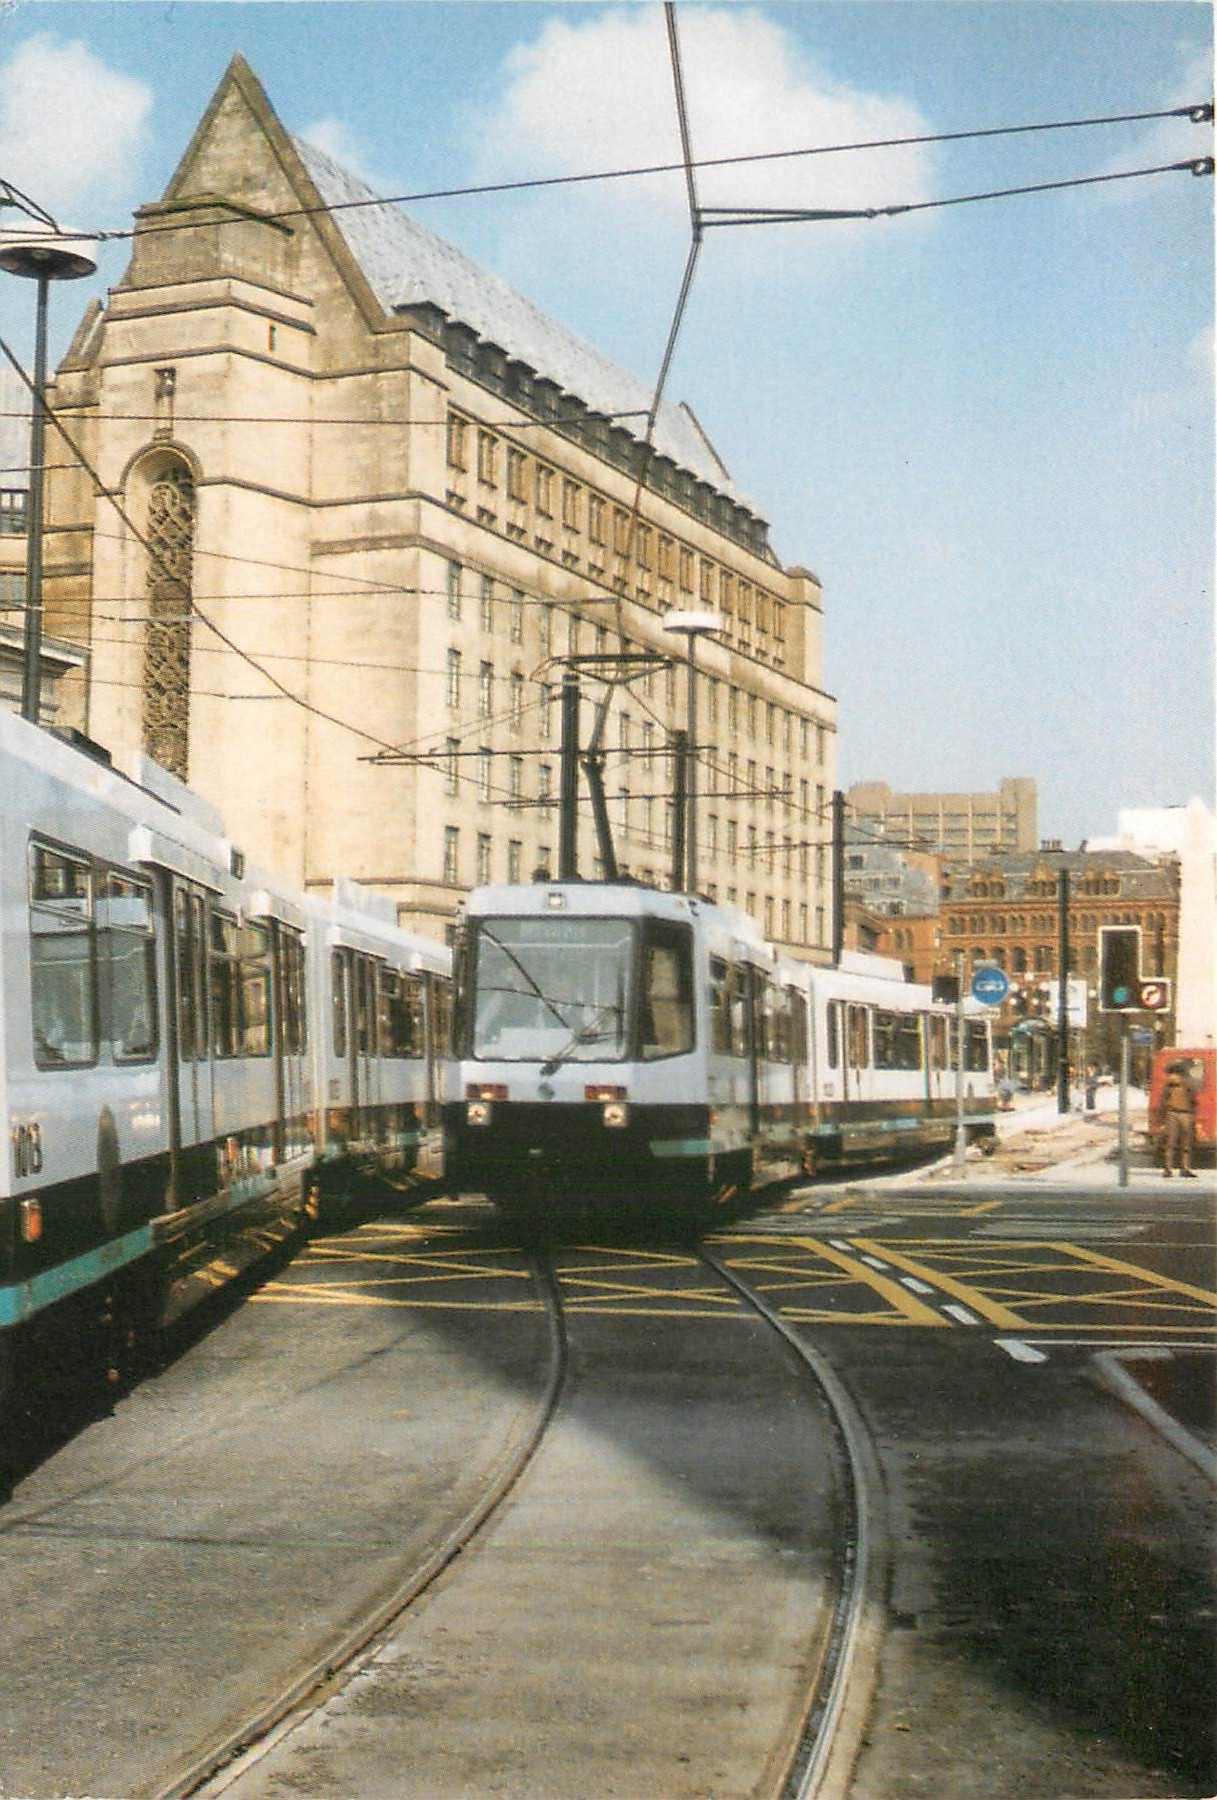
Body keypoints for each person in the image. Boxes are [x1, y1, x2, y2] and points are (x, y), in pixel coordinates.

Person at [1157, 1060, 1198, 1178]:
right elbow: (1193, 1098)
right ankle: (1184, 1167)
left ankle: (1168, 1168)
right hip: (1186, 1113)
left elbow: (1162, 1101)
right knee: (1185, 1143)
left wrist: (1161, 1119)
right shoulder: (1188, 1082)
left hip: (1172, 1113)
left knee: (1171, 1142)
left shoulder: (1168, 1084)